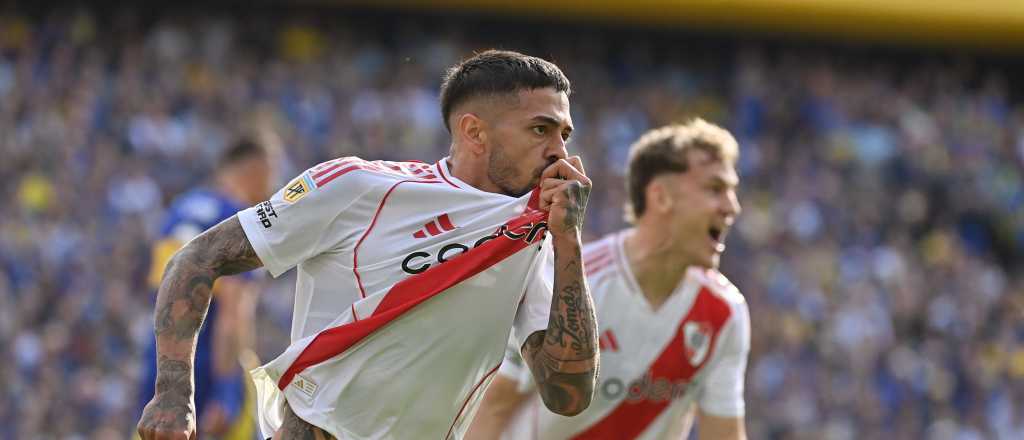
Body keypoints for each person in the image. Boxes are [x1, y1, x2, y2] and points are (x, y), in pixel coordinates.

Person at [137, 49, 600, 440]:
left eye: (565, 134)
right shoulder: (360, 186)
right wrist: (174, 394)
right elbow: (196, 258)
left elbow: (568, 394)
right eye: (541, 130)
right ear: (474, 132)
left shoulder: (535, 239)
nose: (559, 150)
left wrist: (569, 242)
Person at [467, 120, 750, 440]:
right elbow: (494, 407)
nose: (732, 207)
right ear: (661, 197)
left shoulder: (725, 311)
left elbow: (724, 434)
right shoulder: (570, 282)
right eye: (715, 189)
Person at [136, 135, 277, 439]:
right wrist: (226, 391)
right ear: (254, 169)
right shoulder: (237, 217)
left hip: (159, 372)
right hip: (210, 375)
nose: (271, 188)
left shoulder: (179, 210)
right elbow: (233, 312)